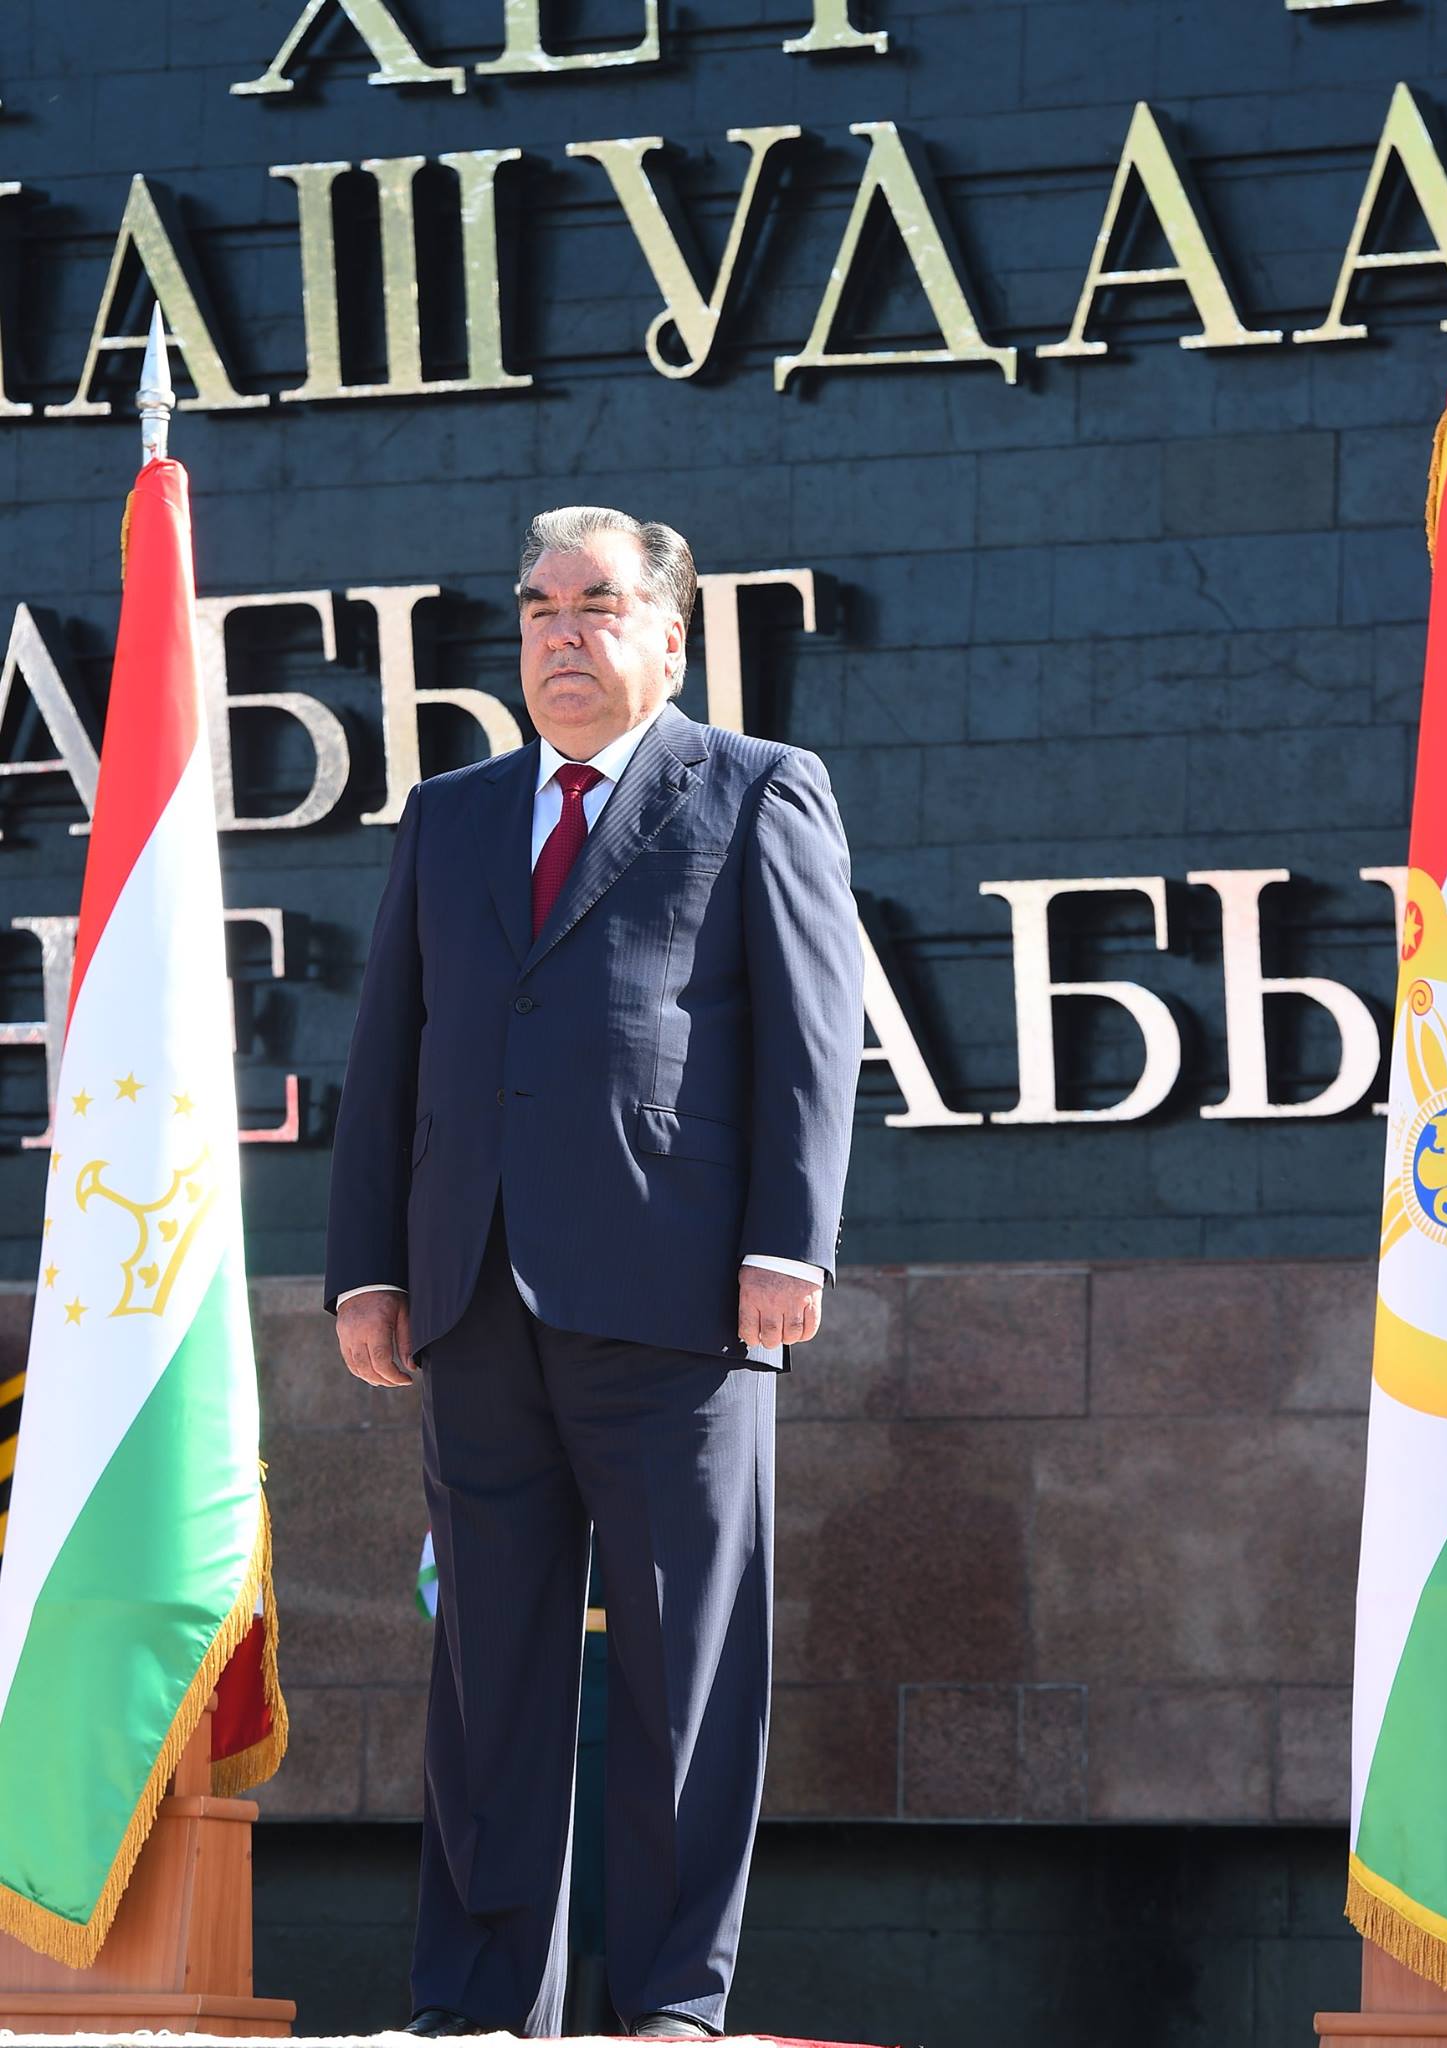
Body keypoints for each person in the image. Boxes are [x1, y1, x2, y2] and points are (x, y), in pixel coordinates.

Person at [323, 505, 865, 2041]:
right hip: (474, 1294)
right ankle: (482, 2005)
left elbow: (816, 1037)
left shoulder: (756, 790)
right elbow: (392, 1053)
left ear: (669, 638)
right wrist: (369, 1270)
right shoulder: (451, 816)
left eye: (598, 606)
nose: (562, 635)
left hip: (681, 1295)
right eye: (539, 609)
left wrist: (787, 1242)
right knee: (488, 1666)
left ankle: (674, 2004)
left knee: (685, 1665)